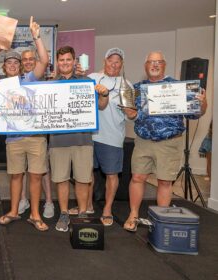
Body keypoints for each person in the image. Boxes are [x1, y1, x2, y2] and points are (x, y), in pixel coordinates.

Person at [123, 51, 207, 232]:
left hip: (169, 142)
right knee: (137, 177)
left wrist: (203, 103)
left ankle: (160, 219)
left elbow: (195, 114)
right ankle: (133, 214)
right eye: (151, 62)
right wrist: (130, 113)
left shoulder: (179, 87)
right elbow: (133, 115)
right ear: (145, 66)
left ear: (164, 65)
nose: (154, 65)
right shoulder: (137, 88)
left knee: (165, 181)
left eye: (158, 62)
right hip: (143, 141)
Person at [0, 16, 50, 231]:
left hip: (35, 138)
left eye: (16, 62)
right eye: (9, 62)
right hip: (13, 138)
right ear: (4, 66)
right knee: (15, 176)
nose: (12, 65)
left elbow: (43, 61)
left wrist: (37, 37)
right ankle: (13, 211)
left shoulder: (30, 79)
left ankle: (34, 214)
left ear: (21, 66)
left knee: (35, 176)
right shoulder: (0, 84)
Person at [50, 46, 109, 232]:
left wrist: (104, 94)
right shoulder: (50, 84)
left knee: (83, 179)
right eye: (61, 60)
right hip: (58, 141)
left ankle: (83, 213)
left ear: (74, 61)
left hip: (83, 140)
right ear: (57, 63)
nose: (65, 63)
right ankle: (64, 213)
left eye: (68, 60)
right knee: (61, 179)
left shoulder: (87, 82)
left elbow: (101, 106)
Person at [84, 48, 135, 226]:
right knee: (87, 173)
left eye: (117, 61)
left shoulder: (126, 85)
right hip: (89, 136)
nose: (114, 64)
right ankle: (88, 205)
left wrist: (131, 112)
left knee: (112, 174)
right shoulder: (92, 78)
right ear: (104, 61)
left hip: (112, 137)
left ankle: (107, 209)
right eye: (110, 60)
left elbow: (131, 115)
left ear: (121, 64)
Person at [18, 49, 55, 219]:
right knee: (23, 169)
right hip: (20, 132)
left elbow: (45, 60)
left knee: (42, 169)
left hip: (38, 132)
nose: (27, 62)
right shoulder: (16, 81)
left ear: (35, 61)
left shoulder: (40, 78)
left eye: (31, 59)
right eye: (24, 59)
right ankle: (23, 200)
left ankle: (48, 201)